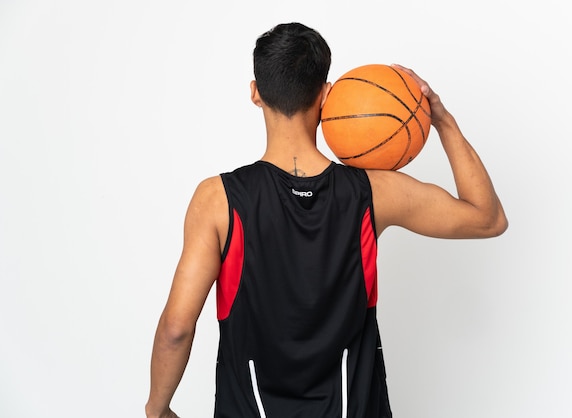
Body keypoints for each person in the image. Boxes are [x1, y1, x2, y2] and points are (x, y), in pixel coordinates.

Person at [145, 22, 507, 418]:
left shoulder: (217, 200)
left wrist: (157, 410)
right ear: (327, 94)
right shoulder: (374, 192)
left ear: (255, 93)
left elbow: (176, 327)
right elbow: (487, 218)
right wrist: (440, 118)